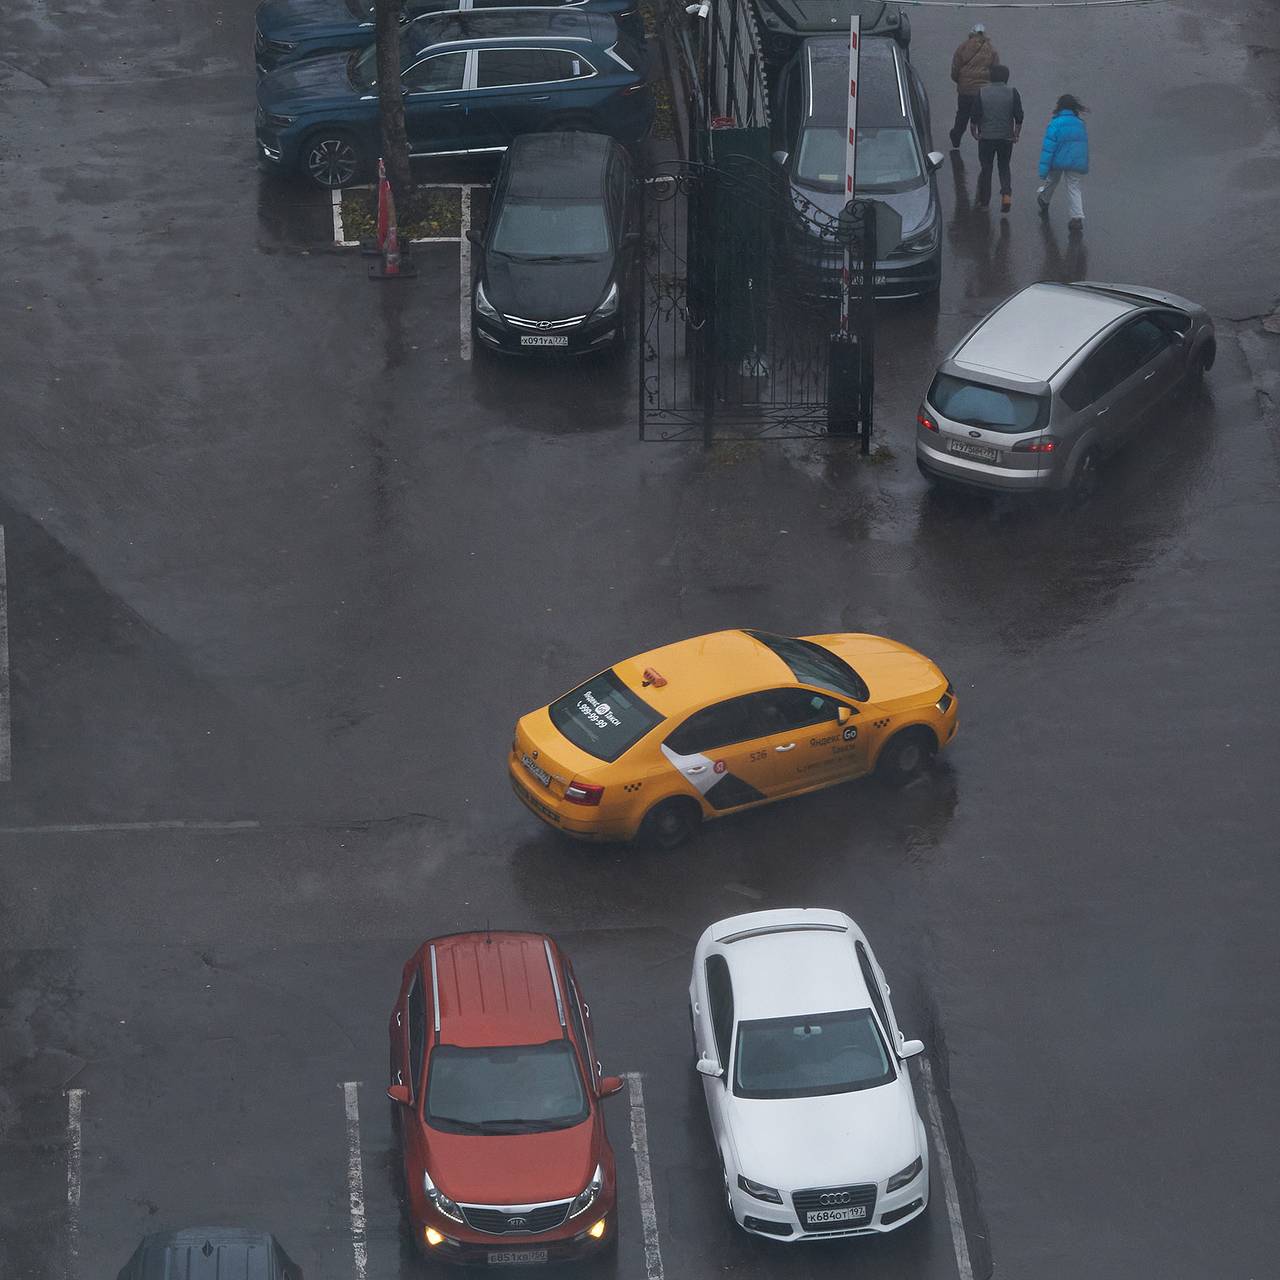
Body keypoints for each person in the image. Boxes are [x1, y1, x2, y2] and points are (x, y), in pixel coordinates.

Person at [969, 65, 1023, 212]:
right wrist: (1016, 134)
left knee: (986, 168)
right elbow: (1019, 116)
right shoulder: (1013, 92)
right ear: (1007, 77)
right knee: (1004, 166)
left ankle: (984, 202)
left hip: (986, 138)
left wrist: (974, 133)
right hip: (1006, 138)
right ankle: (1006, 195)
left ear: (990, 77)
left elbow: (975, 116)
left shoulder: (982, 92)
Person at [1037, 94, 1089, 230]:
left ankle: (1044, 199)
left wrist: (1043, 171)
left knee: (1052, 181)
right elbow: (1082, 146)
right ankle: (1077, 217)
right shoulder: (1080, 124)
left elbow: (1048, 149)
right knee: (1074, 187)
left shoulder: (1055, 123)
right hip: (1074, 161)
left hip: (1057, 161)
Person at [949, 23, 999, 149]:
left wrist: (960, 82)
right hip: (983, 92)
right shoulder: (992, 50)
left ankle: (956, 136)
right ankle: (984, 144)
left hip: (965, 90)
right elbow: (996, 71)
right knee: (983, 117)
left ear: (972, 33)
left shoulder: (963, 47)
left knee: (962, 115)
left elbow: (955, 68)